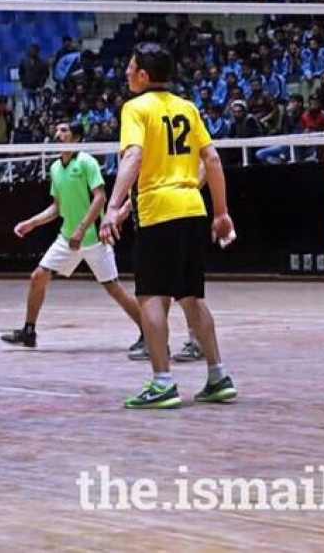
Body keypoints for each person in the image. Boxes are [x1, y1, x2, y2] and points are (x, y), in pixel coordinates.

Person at [99, 42, 238, 410]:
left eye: (130, 67)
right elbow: (211, 159)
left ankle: (162, 382)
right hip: (192, 208)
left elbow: (134, 157)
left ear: (144, 75)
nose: (126, 73)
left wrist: (113, 206)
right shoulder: (187, 107)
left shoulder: (135, 108)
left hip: (159, 213)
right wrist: (221, 212)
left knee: (150, 296)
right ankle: (217, 375)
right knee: (192, 296)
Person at [0, 122, 144, 349]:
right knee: (38, 277)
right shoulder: (56, 168)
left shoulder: (87, 162)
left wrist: (81, 228)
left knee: (114, 288)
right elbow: (57, 207)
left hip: (95, 238)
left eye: (64, 130)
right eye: (57, 130)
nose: (58, 134)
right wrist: (32, 223)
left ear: (76, 138)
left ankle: (148, 333)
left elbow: (100, 197)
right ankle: (29, 332)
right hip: (67, 238)